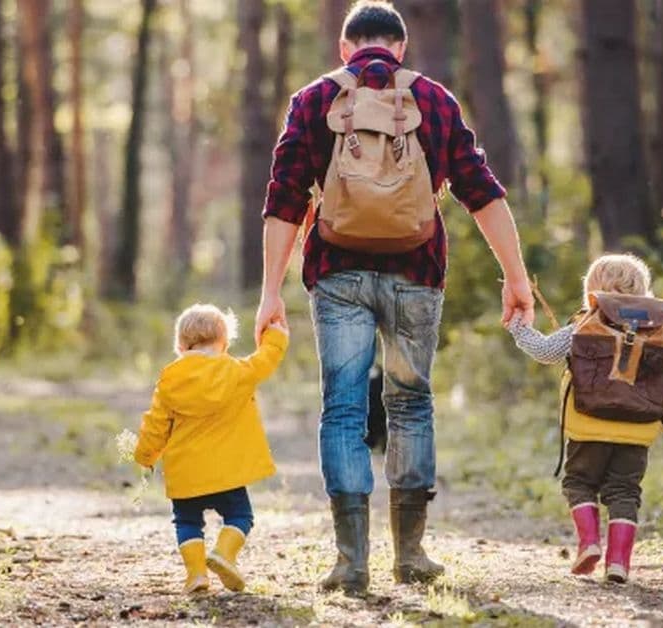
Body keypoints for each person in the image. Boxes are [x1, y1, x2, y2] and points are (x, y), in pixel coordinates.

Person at [254, 0, 535, 595]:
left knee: (345, 410)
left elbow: (285, 197)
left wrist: (268, 293)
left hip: (336, 274)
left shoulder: (314, 100)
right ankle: (411, 554)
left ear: (344, 49)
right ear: (401, 49)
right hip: (416, 274)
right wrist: (516, 276)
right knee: (410, 405)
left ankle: (350, 562)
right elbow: (478, 190)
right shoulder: (432, 99)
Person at [506, 254, 663, 584]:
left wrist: (517, 327)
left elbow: (543, 352)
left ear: (593, 293)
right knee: (625, 492)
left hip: (589, 428)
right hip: (636, 434)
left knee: (579, 483)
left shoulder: (583, 328)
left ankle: (589, 544)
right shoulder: (654, 334)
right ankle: (618, 563)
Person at [133, 304, 289, 594]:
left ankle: (196, 576)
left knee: (187, 522)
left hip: (186, 474)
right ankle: (224, 554)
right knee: (241, 516)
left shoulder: (170, 379)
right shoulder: (236, 371)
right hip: (227, 473)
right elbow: (265, 360)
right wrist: (276, 335)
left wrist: (145, 455)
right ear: (225, 343)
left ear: (180, 345)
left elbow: (156, 424)